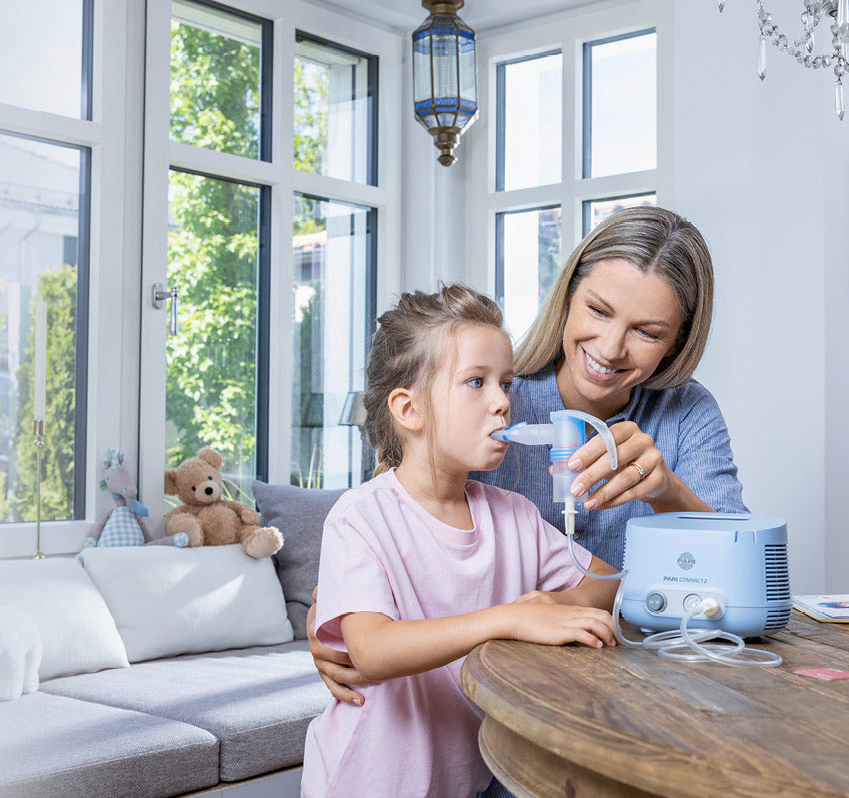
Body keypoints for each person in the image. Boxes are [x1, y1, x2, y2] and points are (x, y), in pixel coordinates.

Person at [308, 207, 748, 795]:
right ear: (567, 296)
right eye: (598, 310)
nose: (612, 347)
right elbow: (399, 515)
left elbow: (724, 578)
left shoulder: (679, 419)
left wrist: (666, 495)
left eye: (647, 332)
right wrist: (330, 613)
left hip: (613, 712)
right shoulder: (468, 440)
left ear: (676, 344)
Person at [301, 285, 622, 798]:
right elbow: (372, 650)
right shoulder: (361, 517)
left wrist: (547, 603)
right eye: (476, 382)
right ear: (409, 410)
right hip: (368, 783)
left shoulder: (513, 517)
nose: (502, 402)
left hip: (465, 783)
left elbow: (607, 585)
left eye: (506, 383)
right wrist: (511, 618)